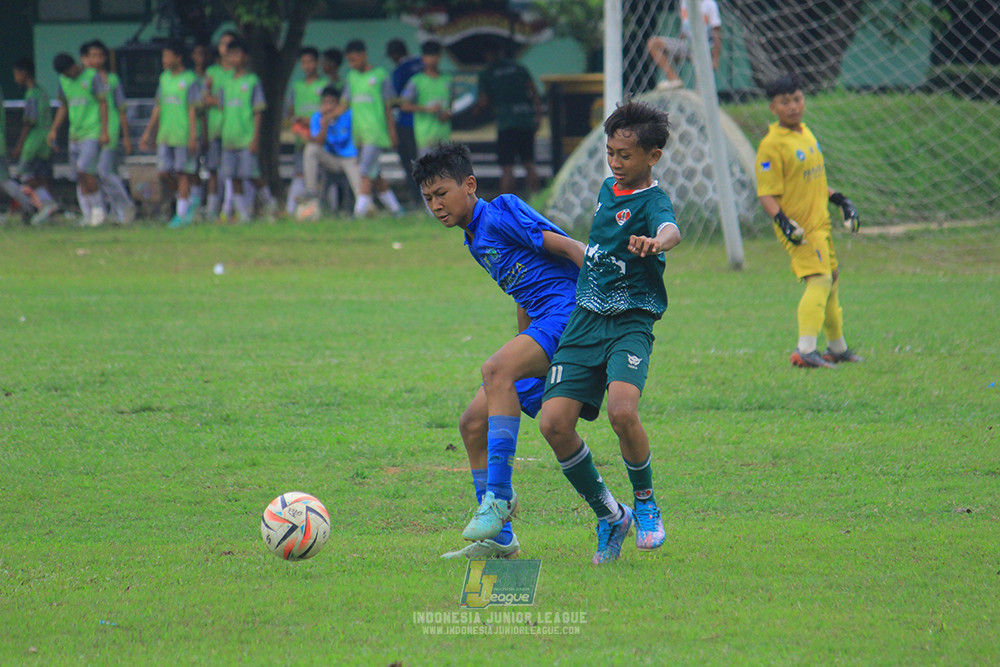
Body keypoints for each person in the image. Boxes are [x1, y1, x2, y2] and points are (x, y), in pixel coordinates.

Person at [412, 142, 586, 560]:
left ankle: (499, 497)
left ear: (470, 185)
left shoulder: (501, 211)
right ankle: (500, 539)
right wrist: (523, 345)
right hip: (543, 323)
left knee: (495, 371)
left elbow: (570, 248)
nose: (436, 206)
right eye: (428, 198)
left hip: (568, 313)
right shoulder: (473, 238)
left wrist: (601, 308)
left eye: (442, 194)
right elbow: (525, 291)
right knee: (472, 423)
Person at [538, 101, 682, 565]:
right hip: (586, 319)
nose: (615, 162)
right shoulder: (607, 188)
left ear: (652, 157)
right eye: (611, 153)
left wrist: (656, 242)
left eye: (625, 155)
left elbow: (670, 228)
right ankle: (610, 514)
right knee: (553, 423)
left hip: (631, 320)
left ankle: (645, 502)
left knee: (622, 411)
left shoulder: (653, 200)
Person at [755, 73, 863, 368]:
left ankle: (837, 348)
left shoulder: (806, 133)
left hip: (820, 223)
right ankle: (805, 350)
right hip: (800, 228)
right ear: (773, 108)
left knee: (832, 281)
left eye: (797, 99)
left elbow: (813, 181)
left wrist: (840, 200)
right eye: (785, 102)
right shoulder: (771, 145)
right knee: (820, 279)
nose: (793, 106)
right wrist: (783, 221)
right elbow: (766, 193)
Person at [336, 40, 402, 218]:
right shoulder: (351, 77)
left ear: (363, 55)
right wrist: (327, 116)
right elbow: (344, 104)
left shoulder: (380, 75)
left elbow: (388, 107)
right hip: (359, 135)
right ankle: (397, 210)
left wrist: (392, 131)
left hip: (376, 133)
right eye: (349, 61)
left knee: (364, 172)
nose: (351, 64)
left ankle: (359, 213)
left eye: (354, 59)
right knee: (375, 173)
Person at [139, 39, 201, 228]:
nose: (164, 60)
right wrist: (148, 133)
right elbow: (158, 107)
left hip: (183, 134)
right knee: (164, 172)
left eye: (167, 56)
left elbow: (192, 109)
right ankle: (187, 199)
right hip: (166, 134)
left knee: (183, 172)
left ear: (178, 57)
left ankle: (181, 215)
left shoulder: (190, 79)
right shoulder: (164, 78)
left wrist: (193, 136)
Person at [214, 38, 276, 222]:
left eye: (236, 54)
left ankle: (270, 205)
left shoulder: (251, 81)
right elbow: (221, 107)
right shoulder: (226, 83)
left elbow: (258, 111)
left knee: (252, 175)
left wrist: (255, 138)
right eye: (230, 55)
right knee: (233, 177)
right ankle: (243, 215)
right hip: (229, 138)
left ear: (245, 57)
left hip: (246, 137)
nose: (233, 58)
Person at [48, 52, 109, 226]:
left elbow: (103, 103)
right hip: (75, 134)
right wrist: (54, 129)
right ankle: (88, 214)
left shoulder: (91, 76)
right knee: (78, 175)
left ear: (74, 65)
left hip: (92, 131)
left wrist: (104, 130)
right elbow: (64, 106)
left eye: (68, 72)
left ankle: (99, 210)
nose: (68, 76)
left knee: (85, 170)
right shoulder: (64, 81)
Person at [475, 39, 543, 194]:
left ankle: (506, 203)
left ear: (486, 55)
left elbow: (483, 102)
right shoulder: (518, 68)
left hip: (506, 124)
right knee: (529, 163)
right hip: (525, 120)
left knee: (507, 167)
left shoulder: (487, 74)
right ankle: (536, 198)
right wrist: (538, 116)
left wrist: (475, 111)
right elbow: (534, 92)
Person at [86, 40, 137, 224]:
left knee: (103, 171)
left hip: (109, 132)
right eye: (93, 56)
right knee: (101, 173)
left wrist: (126, 137)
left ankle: (126, 204)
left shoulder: (112, 80)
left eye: (100, 55)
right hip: (90, 132)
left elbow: (121, 109)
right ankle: (116, 210)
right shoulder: (85, 80)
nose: (97, 60)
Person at [299, 86, 361, 216]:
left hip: (350, 158)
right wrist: (325, 124)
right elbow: (319, 142)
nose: (328, 107)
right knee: (311, 149)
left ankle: (363, 209)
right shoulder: (317, 117)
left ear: (339, 104)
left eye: (332, 103)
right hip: (331, 159)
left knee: (360, 191)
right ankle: (311, 189)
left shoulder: (348, 115)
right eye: (325, 103)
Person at [11, 59, 58, 224]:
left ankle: (47, 204)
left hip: (34, 140)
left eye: (16, 74)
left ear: (23, 73)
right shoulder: (42, 92)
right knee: (42, 175)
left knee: (24, 175)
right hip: (46, 139)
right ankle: (47, 212)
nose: (15, 78)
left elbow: (29, 122)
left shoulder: (31, 95)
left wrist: (19, 145)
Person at [285, 46, 330, 216]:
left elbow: (329, 112)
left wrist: (310, 121)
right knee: (299, 173)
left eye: (310, 61)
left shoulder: (324, 85)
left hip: (321, 139)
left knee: (322, 177)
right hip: (302, 140)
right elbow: (290, 114)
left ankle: (325, 209)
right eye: (303, 62)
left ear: (317, 63)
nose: (307, 66)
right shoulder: (297, 87)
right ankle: (291, 210)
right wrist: (298, 125)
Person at [647, 0, 722, 90]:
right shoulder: (684, 2)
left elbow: (717, 34)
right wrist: (676, 50)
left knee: (702, 89)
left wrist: (715, 59)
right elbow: (685, 27)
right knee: (654, 43)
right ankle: (673, 79)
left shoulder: (710, 4)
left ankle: (699, 93)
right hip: (687, 44)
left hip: (704, 49)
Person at [203, 30, 238, 219]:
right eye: (223, 43)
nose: (226, 48)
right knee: (213, 170)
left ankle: (229, 208)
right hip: (213, 128)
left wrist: (216, 100)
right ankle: (212, 209)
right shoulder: (212, 72)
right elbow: (204, 99)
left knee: (230, 171)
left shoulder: (237, 74)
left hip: (232, 130)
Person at [386, 38, 424, 205]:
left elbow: (394, 98)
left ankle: (418, 199)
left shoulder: (400, 70)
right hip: (425, 123)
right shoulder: (421, 63)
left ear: (394, 55)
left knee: (410, 164)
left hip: (406, 123)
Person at [400, 41, 452, 157]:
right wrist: (427, 109)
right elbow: (404, 105)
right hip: (424, 135)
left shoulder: (447, 79)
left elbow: (452, 102)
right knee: (427, 166)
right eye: (429, 56)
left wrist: (448, 112)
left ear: (439, 57)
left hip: (443, 134)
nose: (432, 59)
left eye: (434, 56)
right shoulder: (416, 81)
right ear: (423, 58)